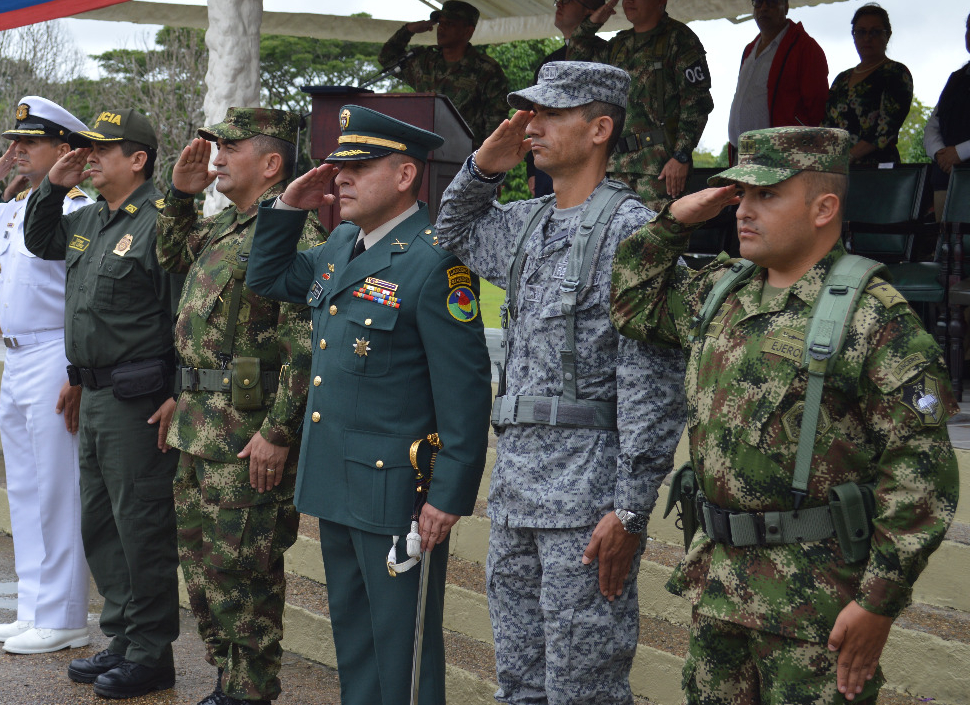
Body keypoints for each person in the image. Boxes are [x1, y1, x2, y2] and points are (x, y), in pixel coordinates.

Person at [609, 126, 960, 704]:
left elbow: (921, 474)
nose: (743, 210)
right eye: (739, 194)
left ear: (825, 208)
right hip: (719, 588)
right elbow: (632, 299)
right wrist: (674, 220)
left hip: (815, 608)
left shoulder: (876, 317)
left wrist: (878, 602)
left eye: (765, 195)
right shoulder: (723, 291)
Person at [435, 61, 686, 703]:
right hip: (517, 490)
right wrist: (483, 169)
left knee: (584, 687)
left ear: (599, 127)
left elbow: (651, 386)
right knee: (518, 684)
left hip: (586, 500)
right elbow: (451, 233)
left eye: (550, 114)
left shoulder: (633, 232)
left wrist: (629, 509)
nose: (531, 125)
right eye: (530, 113)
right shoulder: (526, 222)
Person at [245, 105, 492, 705]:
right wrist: (287, 208)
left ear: (405, 175)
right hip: (337, 477)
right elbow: (268, 278)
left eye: (357, 165)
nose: (340, 178)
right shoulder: (339, 244)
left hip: (396, 492)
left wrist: (446, 498)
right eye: (337, 166)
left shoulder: (436, 264)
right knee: (354, 639)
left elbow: (465, 396)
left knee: (402, 651)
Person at [156, 108, 326, 705]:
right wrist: (179, 194)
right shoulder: (229, 226)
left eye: (229, 148)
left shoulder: (295, 235)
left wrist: (280, 433)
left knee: (243, 572)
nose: (216, 157)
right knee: (202, 569)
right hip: (201, 429)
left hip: (247, 436)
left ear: (272, 164)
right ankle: (228, 681)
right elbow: (170, 253)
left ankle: (251, 690)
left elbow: (305, 342)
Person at [22, 108, 184, 700]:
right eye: (86, 148)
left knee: (141, 523)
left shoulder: (162, 223)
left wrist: (178, 393)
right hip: (93, 393)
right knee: (102, 521)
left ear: (137, 159)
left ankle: (151, 652)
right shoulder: (90, 216)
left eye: (102, 149)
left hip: (139, 398)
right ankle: (121, 634)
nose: (89, 156)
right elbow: (40, 241)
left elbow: (181, 318)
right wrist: (53, 186)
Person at [0, 96, 92, 654]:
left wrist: (78, 368)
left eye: (31, 143)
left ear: (66, 149)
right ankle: (32, 607)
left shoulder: (77, 207)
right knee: (27, 490)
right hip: (15, 357)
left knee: (59, 492)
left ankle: (63, 616)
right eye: (16, 143)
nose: (20, 151)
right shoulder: (15, 208)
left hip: (55, 352)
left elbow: (85, 295)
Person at [570, 0, 714, 211]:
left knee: (657, 239)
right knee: (612, 240)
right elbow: (577, 53)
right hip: (616, 165)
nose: (629, 0)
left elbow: (696, 103)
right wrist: (595, 21)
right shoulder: (619, 44)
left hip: (659, 168)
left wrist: (681, 156)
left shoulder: (679, 40)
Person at [379, 0, 511, 147]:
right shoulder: (424, 62)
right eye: (441, 23)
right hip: (425, 152)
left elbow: (496, 122)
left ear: (468, 31)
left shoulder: (485, 70)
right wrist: (409, 30)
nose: (441, 29)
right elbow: (387, 59)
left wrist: (486, 162)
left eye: (450, 24)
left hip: (466, 158)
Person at [726, 0, 830, 164]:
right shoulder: (749, 49)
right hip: (742, 155)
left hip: (780, 158)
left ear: (786, 6)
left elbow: (817, 110)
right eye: (758, 2)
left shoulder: (805, 48)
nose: (764, 8)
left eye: (772, 2)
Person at [528, 0, 606, 198]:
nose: (559, 5)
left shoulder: (605, 56)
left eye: (568, 0)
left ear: (591, 12)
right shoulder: (550, 61)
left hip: (586, 163)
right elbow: (534, 114)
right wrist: (531, 169)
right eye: (558, 0)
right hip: (547, 164)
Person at [822, 4, 913, 168]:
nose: (867, 38)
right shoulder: (842, 79)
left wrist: (849, 157)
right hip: (838, 170)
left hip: (877, 169)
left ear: (888, 35)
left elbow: (886, 130)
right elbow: (826, 125)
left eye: (875, 32)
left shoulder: (895, 73)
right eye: (861, 32)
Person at [923, 12, 970, 196]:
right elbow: (932, 127)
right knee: (943, 226)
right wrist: (941, 154)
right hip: (946, 178)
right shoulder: (956, 78)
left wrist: (959, 152)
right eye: (968, 28)